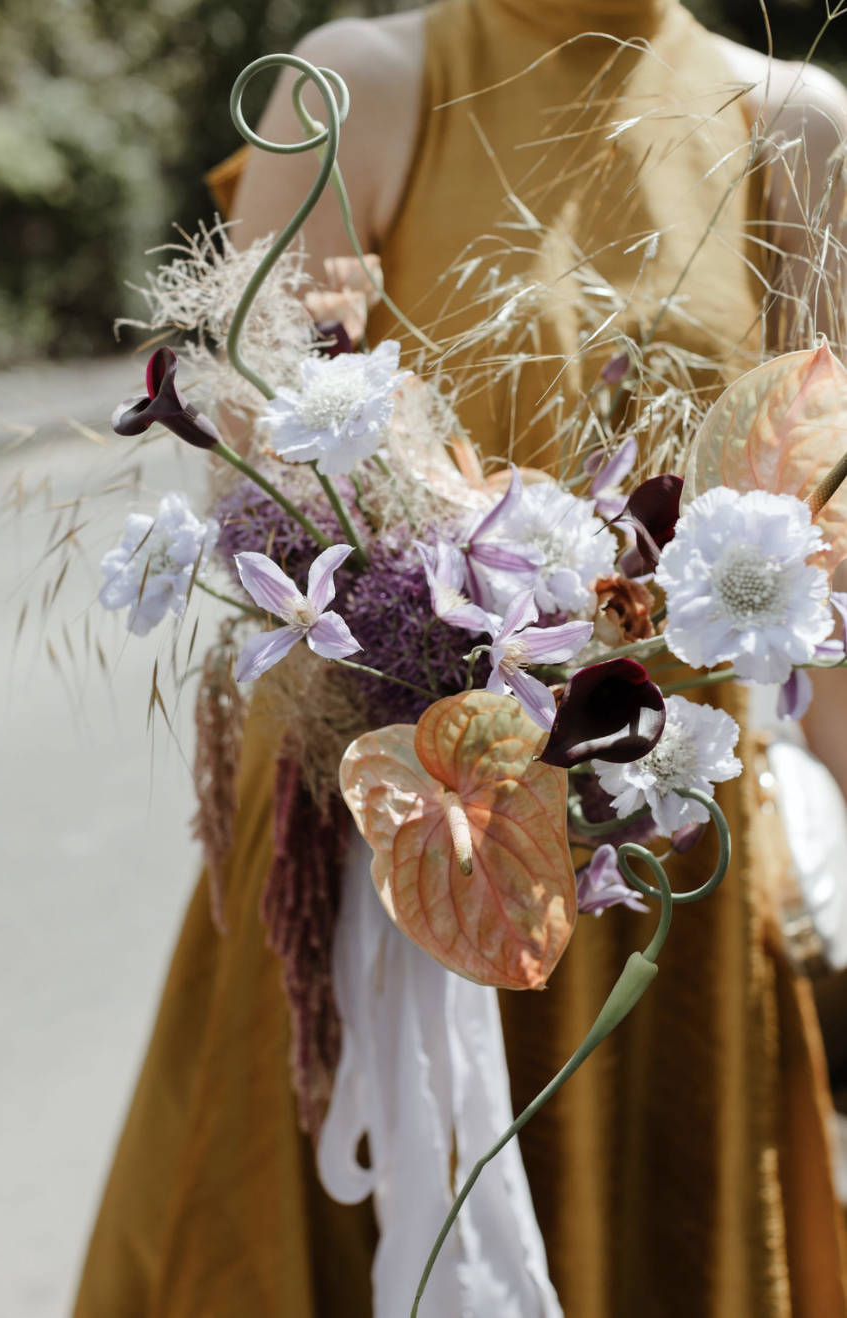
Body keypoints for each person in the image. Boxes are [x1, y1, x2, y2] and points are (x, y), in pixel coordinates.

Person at [74, 2, 847, 1315]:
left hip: (661, 852)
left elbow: (823, 549)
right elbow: (260, 487)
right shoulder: (358, 87)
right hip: (395, 841)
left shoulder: (797, 126)